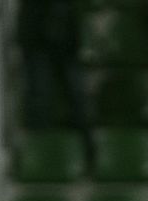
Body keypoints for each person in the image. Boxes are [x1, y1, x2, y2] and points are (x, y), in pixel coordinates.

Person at [16, 0, 93, 162]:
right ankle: (37, 157)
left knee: (78, 98)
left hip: (66, 44)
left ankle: (87, 155)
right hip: (37, 43)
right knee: (40, 98)